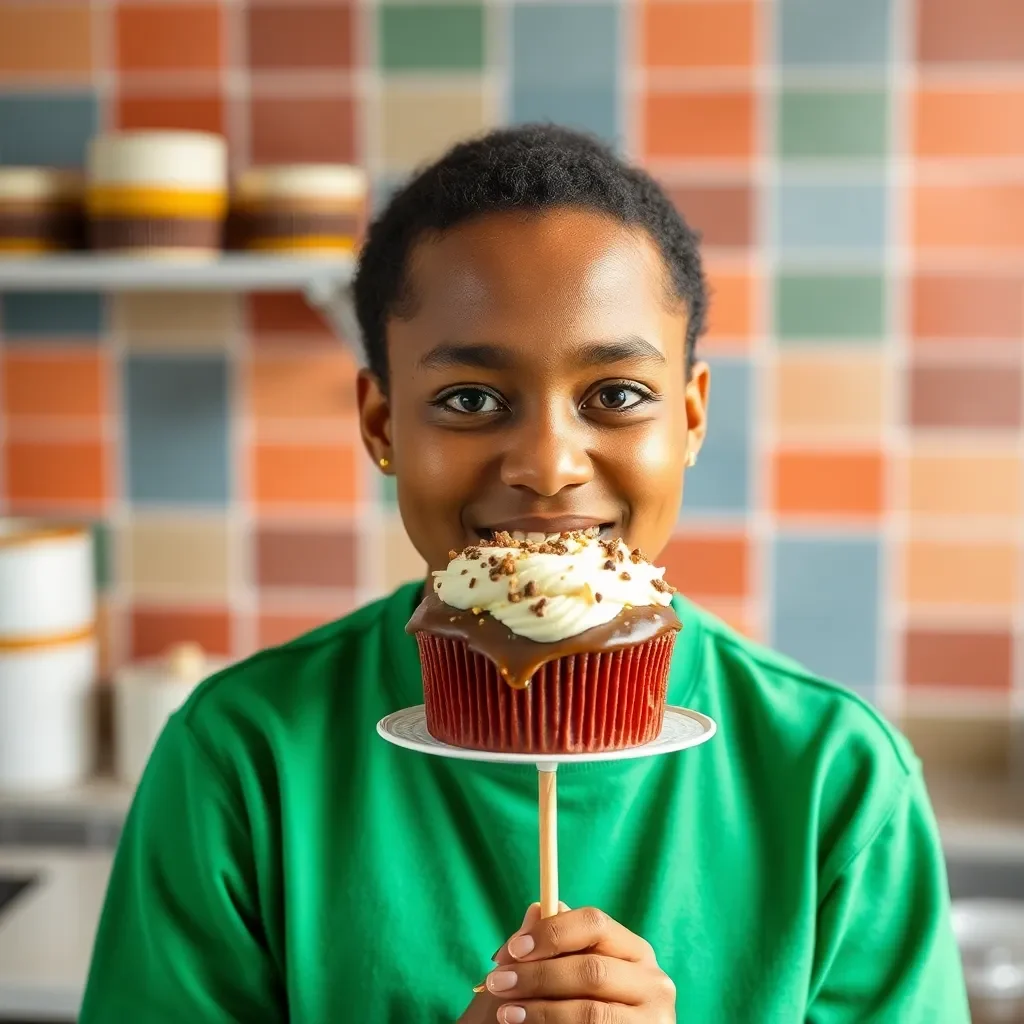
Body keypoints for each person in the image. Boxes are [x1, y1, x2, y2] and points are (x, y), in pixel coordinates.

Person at [80, 124, 969, 1023]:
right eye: (470, 400)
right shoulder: (243, 759)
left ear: (691, 420)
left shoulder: (840, 779)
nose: (547, 464)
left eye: (616, 395)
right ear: (384, 426)